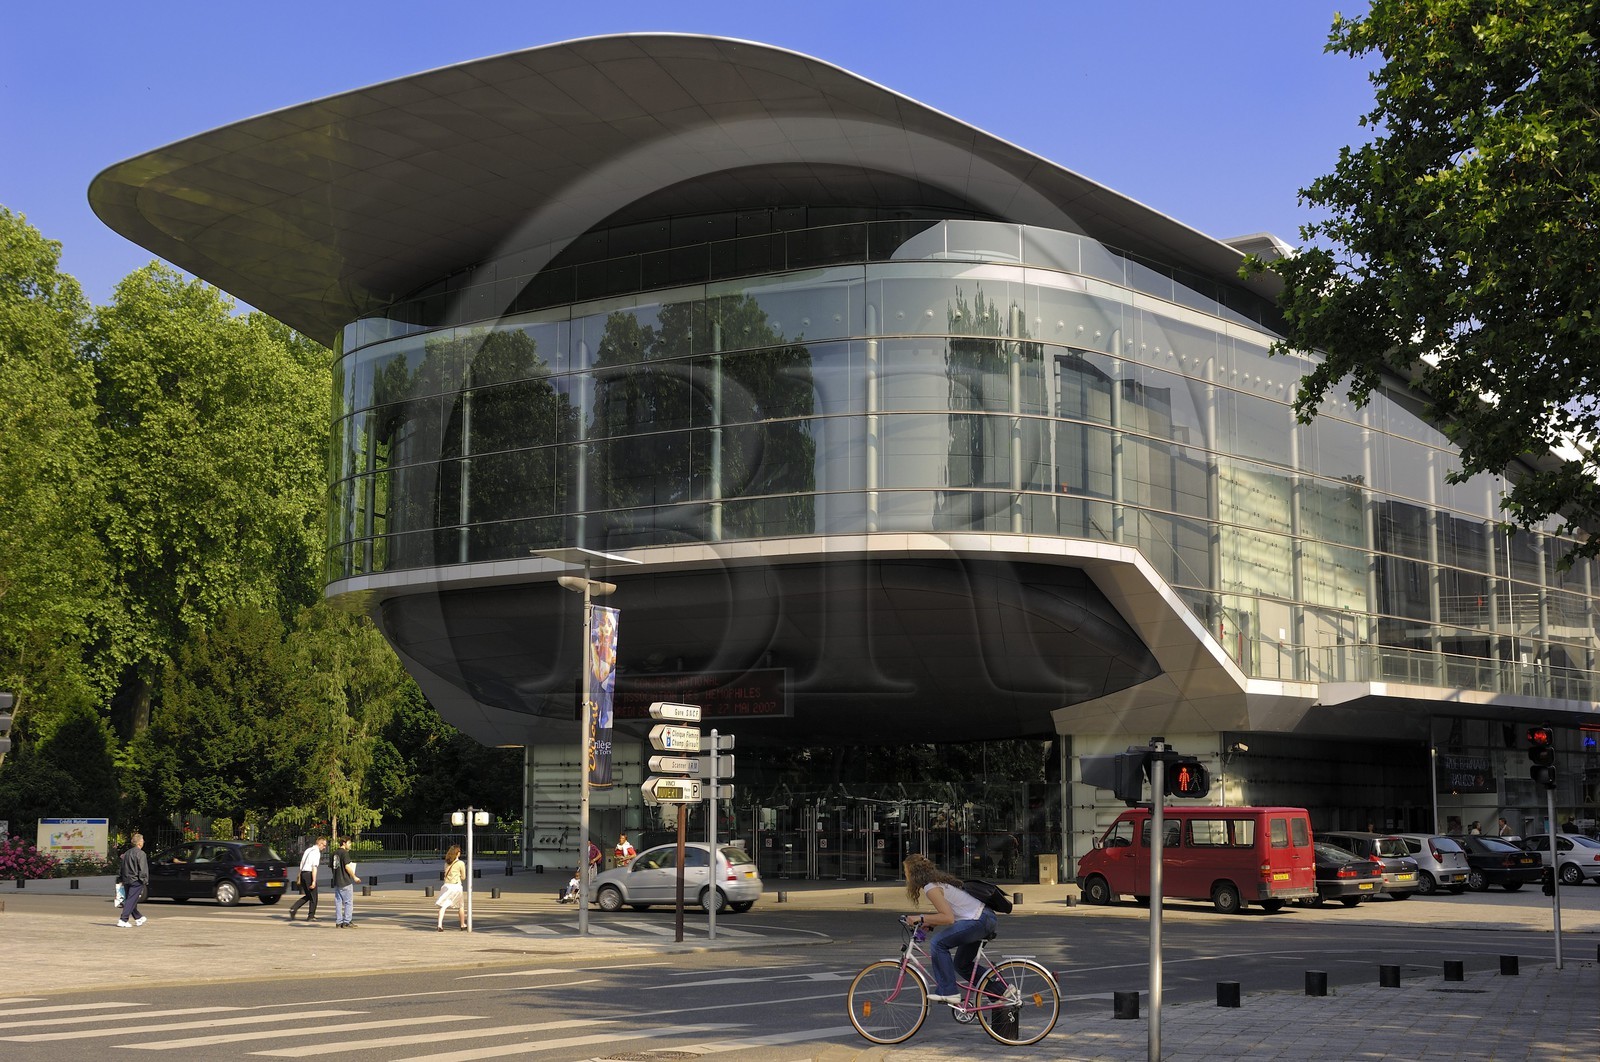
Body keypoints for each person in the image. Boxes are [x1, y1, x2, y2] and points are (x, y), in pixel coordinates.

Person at [902, 852, 996, 1005]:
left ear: (913, 873)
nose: (906, 876)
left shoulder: (930, 888)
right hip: (984, 918)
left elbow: (948, 917)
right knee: (962, 965)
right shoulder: (937, 883)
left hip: (979, 920)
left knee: (938, 944)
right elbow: (952, 912)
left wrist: (920, 918)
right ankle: (1000, 991)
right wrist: (931, 922)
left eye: (906, 872)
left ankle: (948, 991)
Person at [289, 836, 327, 922]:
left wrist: (300, 875)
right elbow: (314, 867)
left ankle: (294, 908)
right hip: (309, 874)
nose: (324, 847)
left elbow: (302, 863)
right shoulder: (316, 852)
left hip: (303, 874)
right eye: (324, 845)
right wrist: (313, 881)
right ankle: (311, 916)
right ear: (320, 844)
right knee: (314, 897)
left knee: (309, 895)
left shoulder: (308, 850)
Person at [117, 832, 149, 928]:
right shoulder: (141, 854)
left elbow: (121, 867)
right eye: (142, 840)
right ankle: (123, 919)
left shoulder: (127, 853)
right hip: (136, 880)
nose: (143, 842)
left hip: (126, 879)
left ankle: (138, 917)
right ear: (139, 843)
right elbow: (143, 869)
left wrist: (121, 878)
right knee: (131, 900)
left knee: (131, 899)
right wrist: (144, 880)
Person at [437, 844, 467, 931]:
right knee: (460, 906)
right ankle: (462, 924)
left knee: (443, 906)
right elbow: (463, 877)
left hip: (446, 886)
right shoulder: (460, 863)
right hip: (456, 886)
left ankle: (440, 925)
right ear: (457, 853)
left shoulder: (446, 863)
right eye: (460, 851)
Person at [331, 837, 359, 928]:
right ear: (344, 843)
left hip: (336, 881)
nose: (350, 845)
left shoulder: (334, 853)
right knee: (348, 902)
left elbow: (332, 867)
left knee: (338, 902)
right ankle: (347, 921)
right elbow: (347, 866)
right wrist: (354, 877)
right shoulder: (345, 853)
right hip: (345, 881)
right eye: (349, 843)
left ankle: (339, 921)